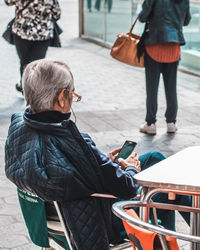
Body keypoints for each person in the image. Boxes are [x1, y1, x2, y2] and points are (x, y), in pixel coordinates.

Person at [5, 59, 191, 249]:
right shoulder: (73, 142)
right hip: (103, 218)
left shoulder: (20, 130)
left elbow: (75, 167)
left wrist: (104, 160)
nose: (72, 99)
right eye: (72, 94)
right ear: (62, 97)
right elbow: (127, 188)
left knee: (154, 158)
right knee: (168, 187)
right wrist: (132, 169)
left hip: (58, 221)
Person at [138, 0, 191, 135]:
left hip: (154, 47)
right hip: (173, 47)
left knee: (152, 88)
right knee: (171, 87)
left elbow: (142, 17)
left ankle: (151, 123)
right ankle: (171, 123)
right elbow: (186, 21)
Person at [4, 0, 61, 94]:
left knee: (25, 62)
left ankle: (25, 87)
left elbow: (8, 2)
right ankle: (32, 89)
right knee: (37, 64)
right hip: (42, 34)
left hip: (22, 32)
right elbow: (56, 14)